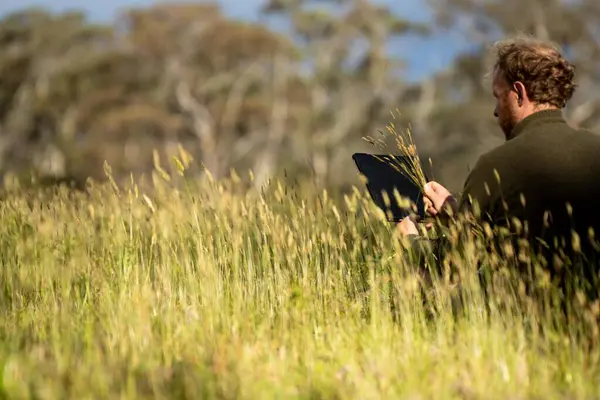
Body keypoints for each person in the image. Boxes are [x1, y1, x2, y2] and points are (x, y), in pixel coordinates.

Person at [397, 35, 600, 284]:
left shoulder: (494, 166)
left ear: (518, 93)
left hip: (524, 314)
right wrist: (456, 215)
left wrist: (409, 241)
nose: (495, 110)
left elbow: (456, 260)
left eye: (497, 95)